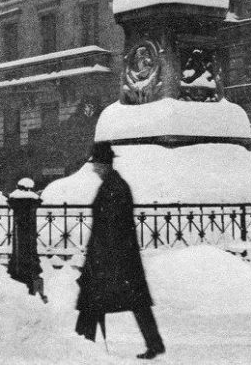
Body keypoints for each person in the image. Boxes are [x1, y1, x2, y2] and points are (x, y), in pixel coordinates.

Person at [75, 142, 165, 360]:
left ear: (104, 164)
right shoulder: (113, 184)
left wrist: (101, 256)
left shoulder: (113, 187)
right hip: (118, 256)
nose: (93, 168)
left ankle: (80, 346)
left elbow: (111, 225)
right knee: (129, 300)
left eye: (95, 163)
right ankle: (82, 343)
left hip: (114, 257)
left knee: (95, 299)